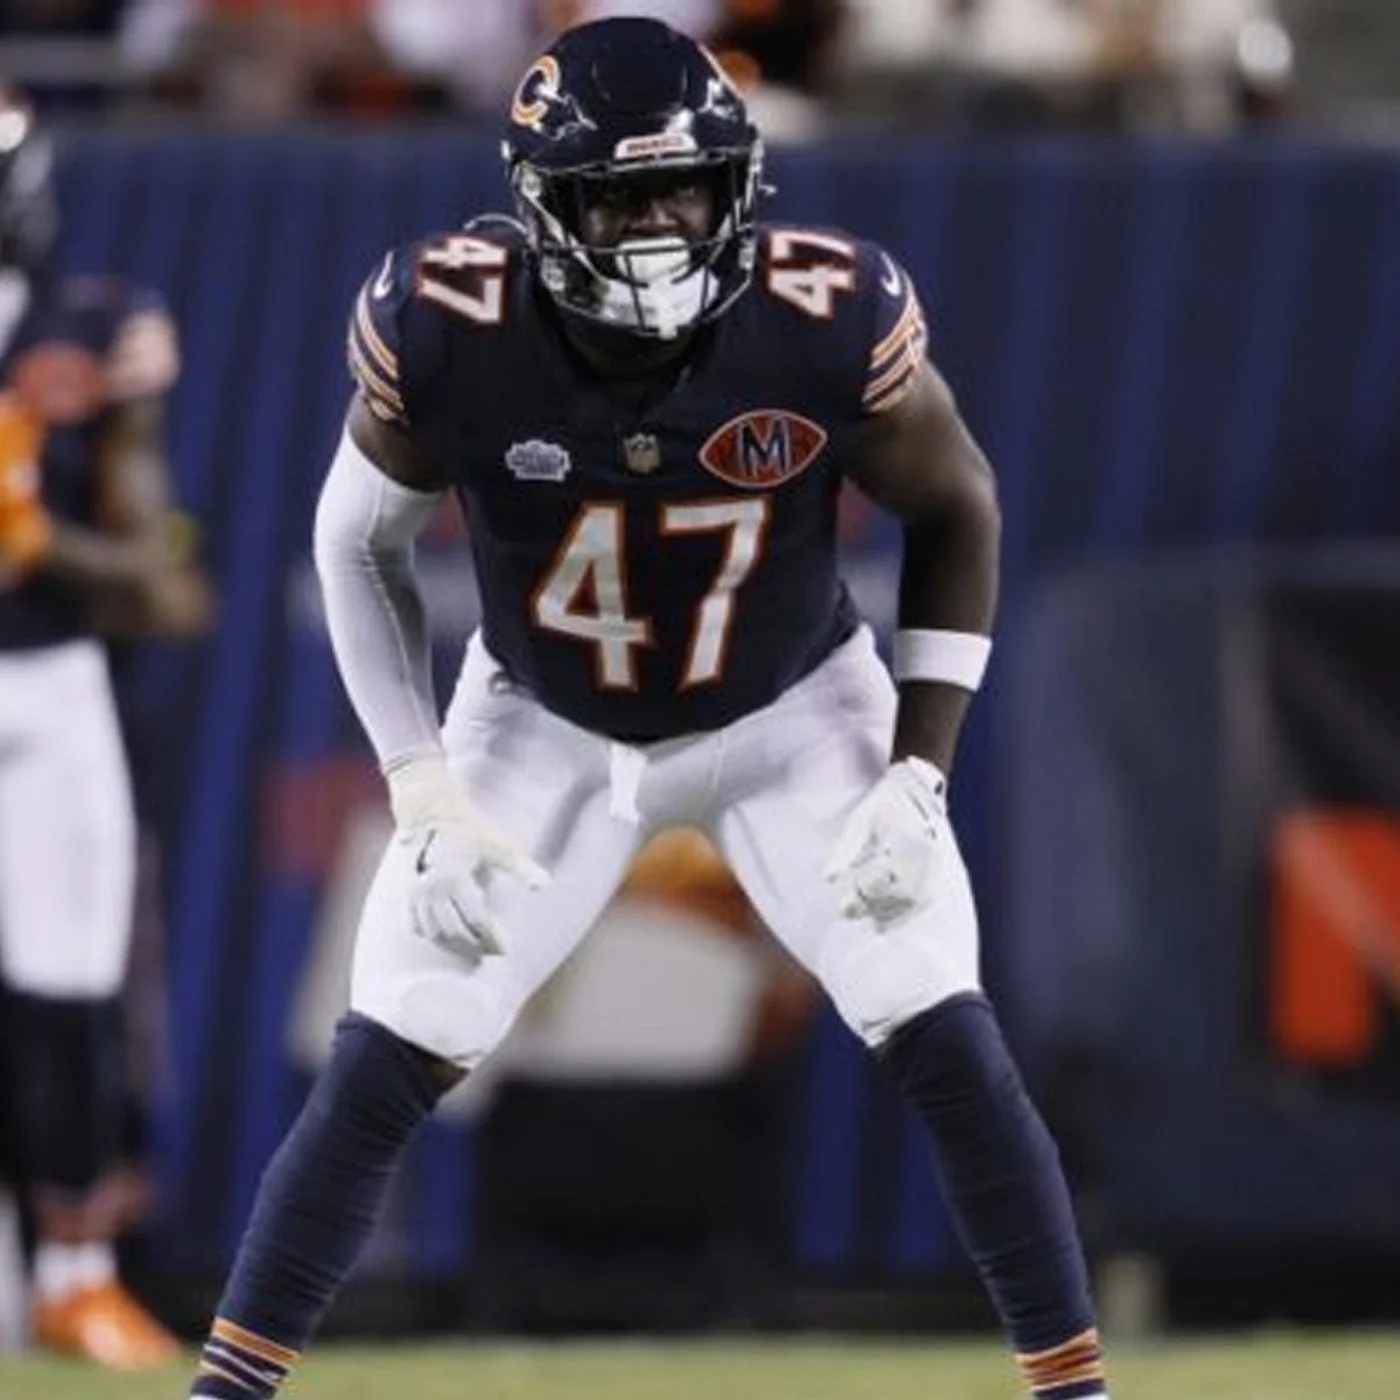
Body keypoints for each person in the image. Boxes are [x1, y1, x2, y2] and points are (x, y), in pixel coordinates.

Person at [186, 18, 1110, 1400]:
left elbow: (957, 502)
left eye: (684, 190)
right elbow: (353, 543)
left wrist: (918, 773)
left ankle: (1079, 1394)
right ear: (540, 206)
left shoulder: (825, 311)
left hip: (792, 713)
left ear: (739, 185)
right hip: (543, 718)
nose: (660, 227)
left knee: (937, 1021)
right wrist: (418, 782)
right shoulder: (447, 325)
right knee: (391, 1045)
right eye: (619, 199)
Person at [0, 84, 212, 1368]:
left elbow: (159, 578)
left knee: (70, 991)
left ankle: (76, 1277)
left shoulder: (89, 333)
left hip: (45, 682)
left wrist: (37, 537)